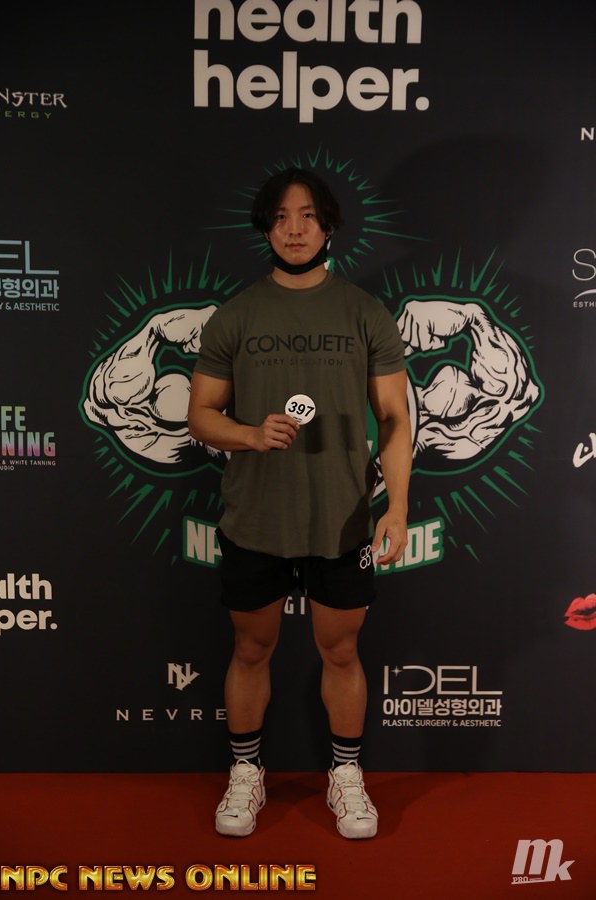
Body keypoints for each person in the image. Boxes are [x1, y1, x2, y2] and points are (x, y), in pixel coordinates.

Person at [188, 167, 412, 839]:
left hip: (342, 520)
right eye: (282, 217)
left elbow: (395, 418)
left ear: (329, 226)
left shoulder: (364, 312)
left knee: (341, 653)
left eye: (308, 215)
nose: (294, 229)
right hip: (255, 518)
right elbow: (201, 415)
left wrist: (397, 508)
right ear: (265, 228)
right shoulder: (237, 315)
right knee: (250, 649)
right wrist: (250, 434)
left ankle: (346, 775)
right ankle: (245, 773)